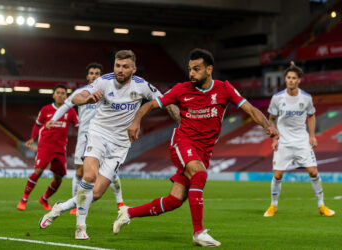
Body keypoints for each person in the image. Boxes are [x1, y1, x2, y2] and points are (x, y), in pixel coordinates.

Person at [113, 48, 279, 247]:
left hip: (204, 151)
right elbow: (149, 105)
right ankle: (198, 233)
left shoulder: (224, 88)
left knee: (175, 199)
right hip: (183, 142)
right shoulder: (181, 89)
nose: (191, 73)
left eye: (196, 69)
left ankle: (128, 212)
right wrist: (136, 122)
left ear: (209, 69)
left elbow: (250, 109)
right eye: (190, 69)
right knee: (199, 175)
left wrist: (267, 126)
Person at [38, 50, 180, 240]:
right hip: (98, 134)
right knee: (88, 176)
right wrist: (87, 98)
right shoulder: (103, 81)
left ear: (133, 69)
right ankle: (80, 227)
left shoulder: (142, 86)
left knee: (95, 194)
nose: (120, 70)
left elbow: (167, 102)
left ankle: (60, 208)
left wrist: (183, 122)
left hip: (121, 144)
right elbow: (76, 98)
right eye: (117, 66)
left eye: (125, 67)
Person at [263, 62, 335, 217]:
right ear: (285, 79)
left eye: (293, 78)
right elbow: (271, 118)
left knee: (313, 172)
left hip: (301, 141)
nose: (290, 80)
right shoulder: (277, 98)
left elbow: (311, 116)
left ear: (299, 80)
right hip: (283, 141)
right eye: (288, 77)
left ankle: (321, 206)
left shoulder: (306, 98)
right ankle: (273, 206)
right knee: (277, 175)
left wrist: (311, 136)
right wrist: (275, 138)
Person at [70, 63, 125, 215]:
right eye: (91, 73)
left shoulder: (107, 92)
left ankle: (120, 202)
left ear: (100, 76)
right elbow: (68, 104)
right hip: (83, 136)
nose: (94, 75)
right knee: (80, 172)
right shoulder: (81, 92)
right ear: (87, 76)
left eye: (97, 73)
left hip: (102, 135)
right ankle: (75, 202)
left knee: (109, 171)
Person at [17, 84, 78, 211]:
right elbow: (37, 124)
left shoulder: (71, 111)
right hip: (45, 146)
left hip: (60, 149)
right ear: (54, 95)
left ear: (66, 96)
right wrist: (32, 138)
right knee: (38, 171)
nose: (60, 95)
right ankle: (24, 199)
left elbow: (78, 127)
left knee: (59, 178)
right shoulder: (46, 109)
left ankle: (44, 198)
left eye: (63, 93)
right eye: (58, 93)